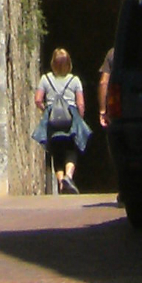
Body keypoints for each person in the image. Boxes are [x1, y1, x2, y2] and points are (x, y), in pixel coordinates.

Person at [34, 47, 88, 191]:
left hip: (53, 121)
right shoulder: (75, 80)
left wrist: (48, 111)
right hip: (70, 119)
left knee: (57, 151)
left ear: (53, 63)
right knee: (71, 148)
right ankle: (68, 177)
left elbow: (38, 100)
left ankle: (60, 183)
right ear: (69, 63)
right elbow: (80, 103)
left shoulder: (45, 79)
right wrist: (79, 118)